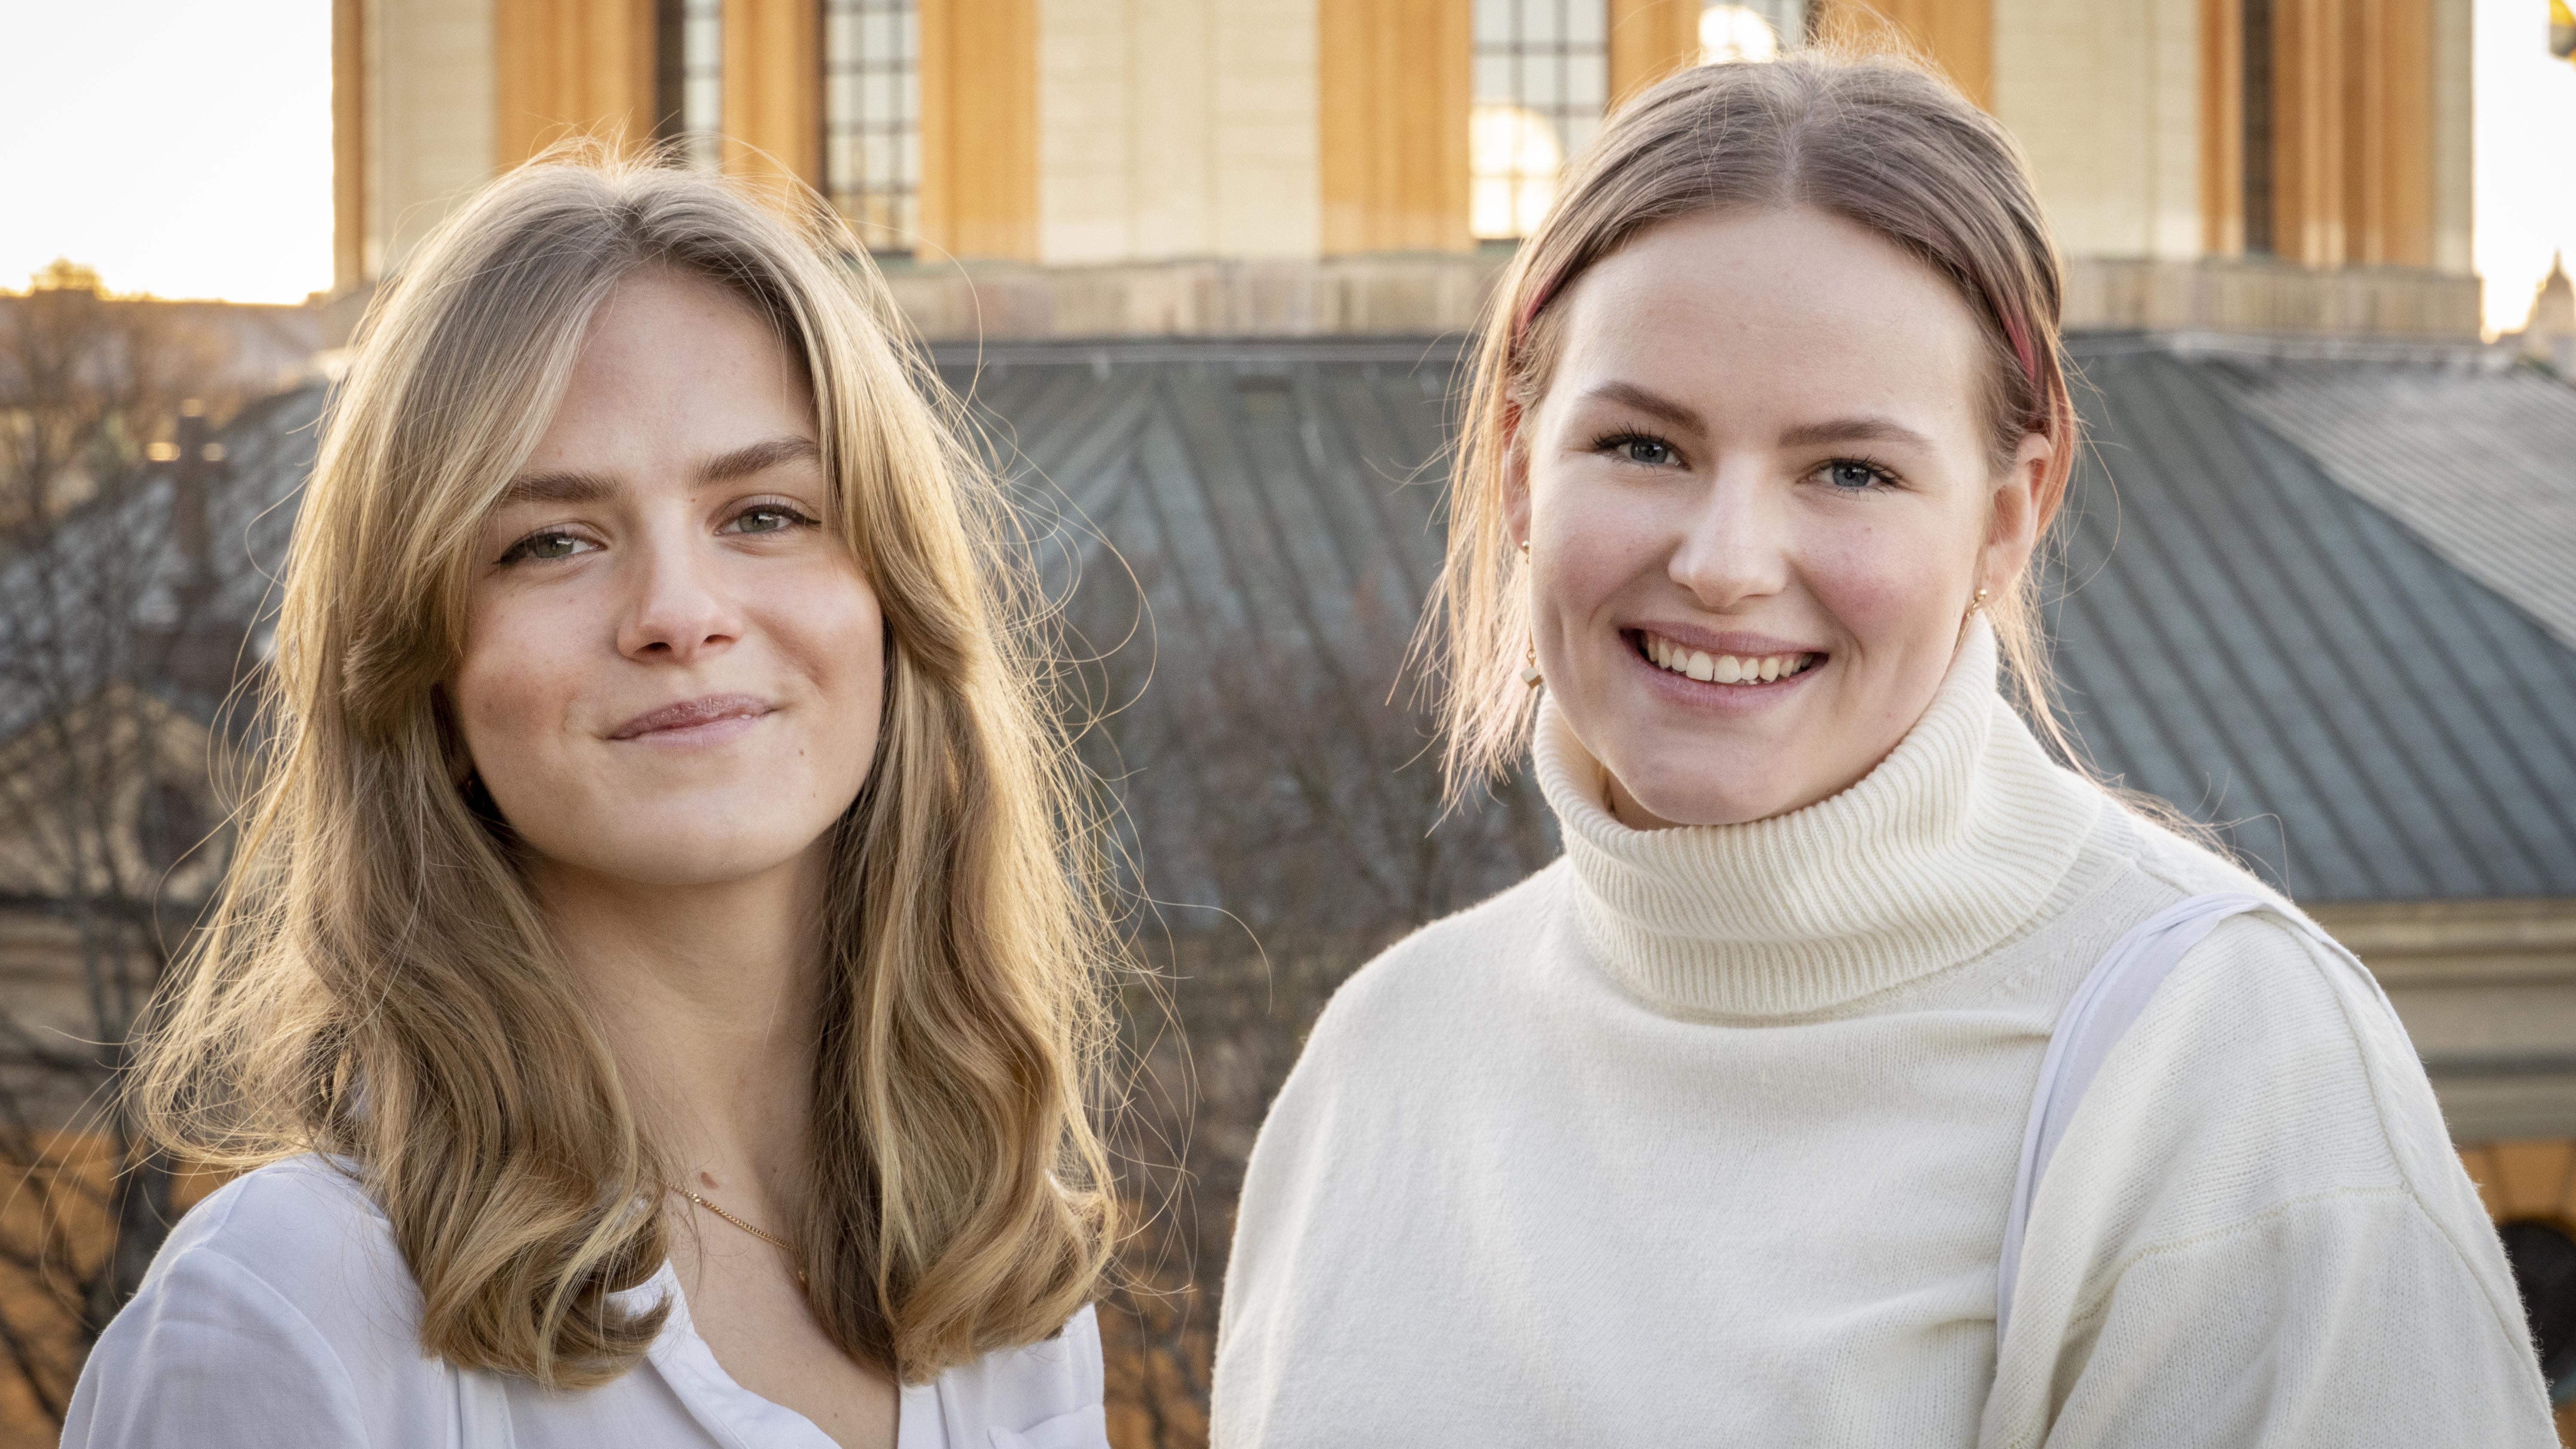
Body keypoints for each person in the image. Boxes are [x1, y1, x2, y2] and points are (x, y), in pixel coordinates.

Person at [1212, 52, 2553, 1448]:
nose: (1726, 564)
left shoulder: (2230, 1089)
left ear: (2008, 513)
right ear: (1514, 467)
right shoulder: (1383, 1060)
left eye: (1850, 470)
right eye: (1641, 445)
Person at [68, 154, 1119, 1449]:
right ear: (426, 675)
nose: (681, 613)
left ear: (893, 610)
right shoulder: (287, 1311)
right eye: (551, 541)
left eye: (769, 512)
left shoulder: (1002, 1280)